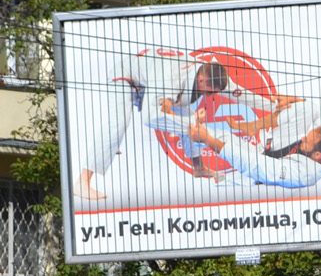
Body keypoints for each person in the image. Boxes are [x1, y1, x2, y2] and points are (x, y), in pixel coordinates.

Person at [76, 51, 229, 199]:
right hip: (125, 76)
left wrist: (189, 120)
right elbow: (149, 118)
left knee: (188, 117)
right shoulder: (170, 78)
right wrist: (189, 123)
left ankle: (199, 167)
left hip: (148, 79)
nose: (209, 96)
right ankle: (83, 181)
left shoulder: (203, 70)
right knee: (118, 123)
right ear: (201, 80)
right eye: (209, 91)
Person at [185, 95, 321, 189]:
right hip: (266, 149)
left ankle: (182, 124)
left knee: (203, 135)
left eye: (306, 142)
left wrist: (208, 139)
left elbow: (253, 164)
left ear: (318, 155)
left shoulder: (303, 174)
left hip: (254, 175)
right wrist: (294, 100)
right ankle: (199, 165)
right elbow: (318, 111)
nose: (302, 138)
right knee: (306, 108)